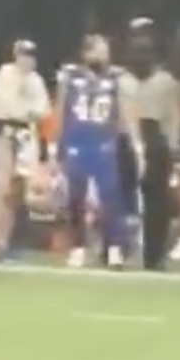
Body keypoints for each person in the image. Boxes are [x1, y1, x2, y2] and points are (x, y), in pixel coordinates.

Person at [54, 35, 144, 269]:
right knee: (75, 199)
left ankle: (114, 248)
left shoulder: (116, 77)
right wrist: (56, 144)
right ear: (86, 53)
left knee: (111, 198)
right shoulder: (70, 76)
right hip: (76, 145)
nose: (104, 56)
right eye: (99, 51)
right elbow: (60, 110)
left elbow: (126, 113)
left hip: (104, 146)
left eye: (106, 51)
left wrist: (137, 145)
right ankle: (78, 247)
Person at [0, 39, 50, 262]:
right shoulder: (5, 74)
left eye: (30, 55)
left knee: (16, 192)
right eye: (23, 55)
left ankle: (5, 241)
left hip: (25, 135)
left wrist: (28, 111)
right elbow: (5, 106)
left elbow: (43, 109)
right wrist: (27, 110)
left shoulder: (36, 80)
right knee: (1, 189)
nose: (27, 59)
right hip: (4, 131)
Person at [119, 32, 179, 270]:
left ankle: (154, 255)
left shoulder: (166, 82)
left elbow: (172, 117)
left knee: (157, 202)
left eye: (145, 53)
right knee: (123, 198)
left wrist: (172, 147)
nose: (140, 58)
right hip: (126, 138)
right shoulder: (123, 81)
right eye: (137, 53)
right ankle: (119, 250)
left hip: (155, 138)